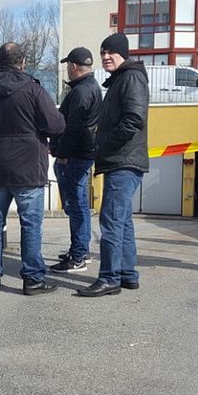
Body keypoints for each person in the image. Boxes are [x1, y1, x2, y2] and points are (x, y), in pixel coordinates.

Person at [0, 42, 65, 296]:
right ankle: (32, 279)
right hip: (29, 169)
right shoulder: (33, 90)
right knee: (30, 224)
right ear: (22, 62)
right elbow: (56, 125)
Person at [76, 33, 149, 298]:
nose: (106, 57)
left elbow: (133, 119)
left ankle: (109, 277)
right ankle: (127, 274)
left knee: (111, 220)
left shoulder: (130, 77)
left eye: (111, 52)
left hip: (123, 160)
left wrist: (103, 143)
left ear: (123, 54)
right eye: (103, 52)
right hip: (123, 160)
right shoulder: (123, 78)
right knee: (122, 221)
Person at [50, 48, 102, 273]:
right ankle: (81, 250)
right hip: (82, 154)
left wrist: (62, 153)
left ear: (73, 66)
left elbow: (74, 127)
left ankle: (79, 255)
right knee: (79, 205)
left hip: (74, 156)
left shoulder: (81, 92)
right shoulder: (91, 87)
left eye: (68, 66)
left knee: (76, 206)